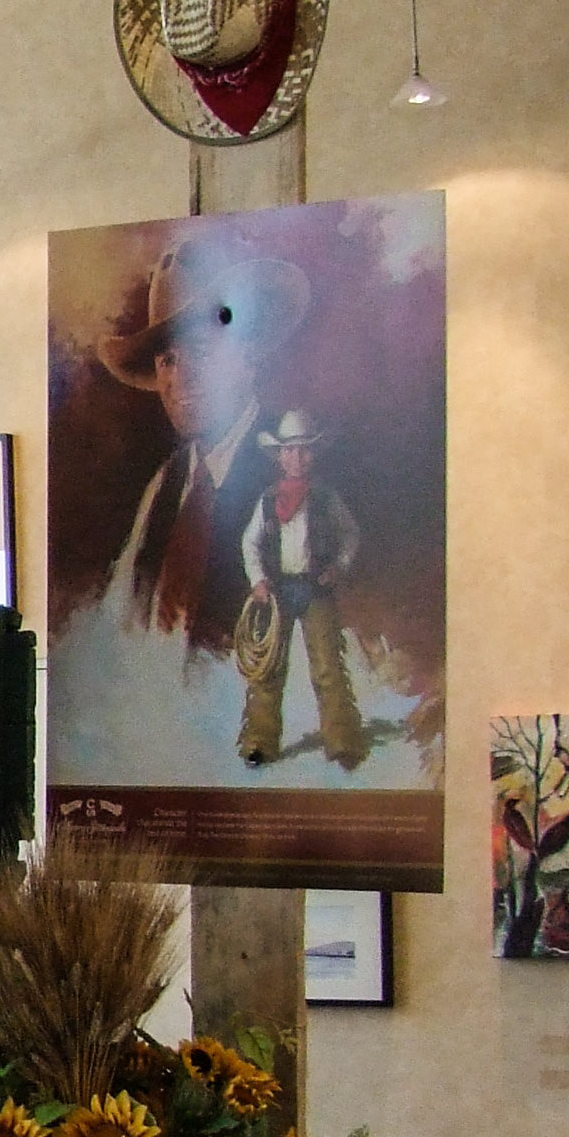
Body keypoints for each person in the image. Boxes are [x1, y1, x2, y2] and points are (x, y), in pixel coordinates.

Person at [96, 232, 310, 661]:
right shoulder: (164, 486)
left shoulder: (290, 470)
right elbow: (121, 625)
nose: (180, 380)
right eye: (168, 361)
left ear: (249, 357)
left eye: (201, 353)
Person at [236, 410, 370, 771]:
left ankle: (342, 739)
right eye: (289, 450)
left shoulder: (325, 499)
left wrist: (338, 567)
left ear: (313, 455)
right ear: (279, 457)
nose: (297, 457)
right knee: (269, 670)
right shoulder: (268, 500)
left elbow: (350, 535)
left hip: (316, 590)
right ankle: (260, 740)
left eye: (304, 450)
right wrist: (258, 580)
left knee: (328, 666)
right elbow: (250, 542)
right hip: (278, 593)